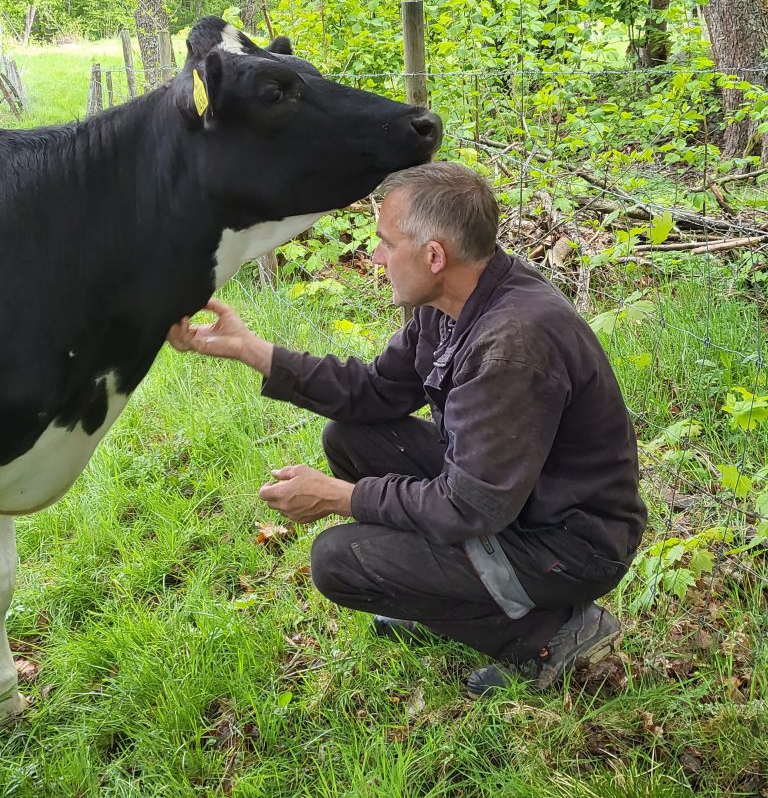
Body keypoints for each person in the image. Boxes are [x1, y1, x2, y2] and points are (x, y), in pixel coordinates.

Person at [167, 162, 647, 697]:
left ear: (434, 255)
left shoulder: (513, 345)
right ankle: (440, 595)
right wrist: (252, 351)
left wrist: (339, 497)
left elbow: (469, 508)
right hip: (520, 501)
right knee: (348, 438)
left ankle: (551, 635)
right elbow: (374, 392)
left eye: (384, 243)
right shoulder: (453, 301)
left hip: (568, 542)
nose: (375, 258)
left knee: (338, 562)